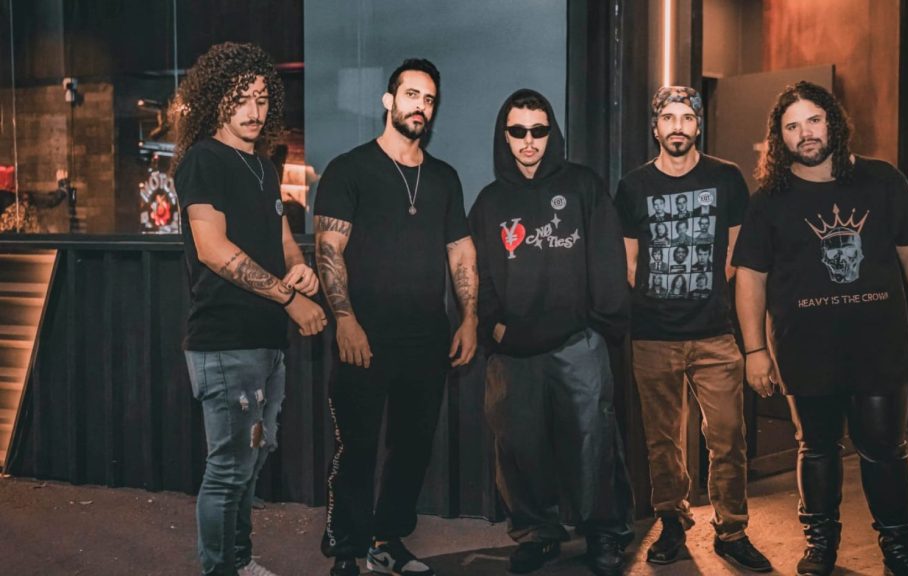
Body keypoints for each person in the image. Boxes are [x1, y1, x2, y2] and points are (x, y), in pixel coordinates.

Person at [732, 81, 908, 576]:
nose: (805, 133)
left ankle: (900, 552)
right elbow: (750, 278)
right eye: (792, 126)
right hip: (805, 350)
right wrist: (755, 350)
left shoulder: (881, 180)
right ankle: (820, 546)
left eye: (814, 120)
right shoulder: (769, 200)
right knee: (817, 449)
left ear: (833, 122)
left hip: (880, 345)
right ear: (780, 138)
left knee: (885, 451)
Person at [313, 58, 478, 576]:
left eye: (429, 100)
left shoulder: (444, 178)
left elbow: (461, 252)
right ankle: (346, 550)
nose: (420, 107)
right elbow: (328, 250)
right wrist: (345, 320)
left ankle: (386, 541)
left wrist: (469, 317)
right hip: (363, 336)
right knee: (356, 448)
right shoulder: (349, 169)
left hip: (426, 339)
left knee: (411, 449)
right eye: (411, 95)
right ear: (388, 101)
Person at [173, 41, 327, 576]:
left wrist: (300, 269)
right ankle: (222, 568)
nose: (253, 109)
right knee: (228, 470)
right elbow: (213, 249)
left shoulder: (263, 166)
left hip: (265, 340)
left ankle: (238, 561)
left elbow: (282, 241)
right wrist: (290, 298)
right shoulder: (204, 159)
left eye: (261, 98)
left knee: (249, 463)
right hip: (224, 342)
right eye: (241, 98)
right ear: (217, 99)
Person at [469, 88, 634, 576]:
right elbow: (476, 273)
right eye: (518, 131)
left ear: (551, 132)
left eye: (538, 130)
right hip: (513, 351)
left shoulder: (582, 185)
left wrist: (601, 325)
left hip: (577, 343)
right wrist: (493, 327)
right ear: (504, 136)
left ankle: (605, 534)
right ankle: (537, 534)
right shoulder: (490, 201)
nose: (529, 141)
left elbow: (608, 260)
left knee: (592, 442)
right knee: (518, 447)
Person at [614, 85, 772, 572]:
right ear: (656, 127)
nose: (678, 126)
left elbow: (737, 250)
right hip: (652, 335)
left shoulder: (725, 177)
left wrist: (702, 287)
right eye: (669, 118)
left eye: (687, 117)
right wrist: (662, 292)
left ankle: (732, 530)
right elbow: (628, 261)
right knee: (662, 441)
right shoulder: (634, 186)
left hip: (714, 332)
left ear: (698, 125)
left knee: (727, 436)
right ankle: (672, 522)